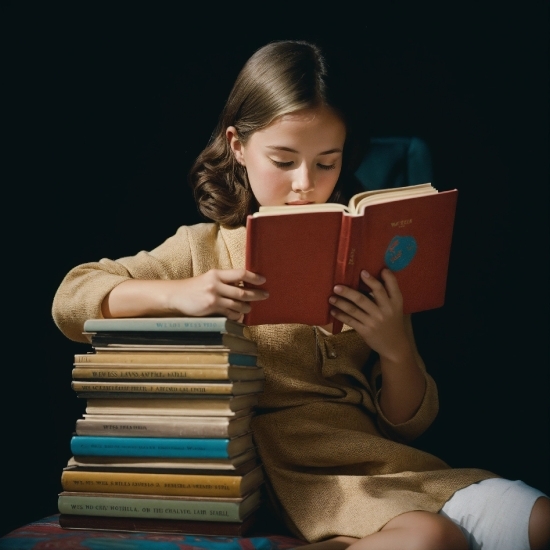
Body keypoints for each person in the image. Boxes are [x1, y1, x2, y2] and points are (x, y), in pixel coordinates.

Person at [52, 40, 550, 550]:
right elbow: (72, 298)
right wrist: (182, 293)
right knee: (428, 537)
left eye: (326, 162)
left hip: (390, 468)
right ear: (238, 146)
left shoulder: (362, 248)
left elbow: (407, 427)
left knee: (539, 520)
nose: (305, 184)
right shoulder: (202, 248)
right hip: (303, 481)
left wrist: (397, 346)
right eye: (283, 160)